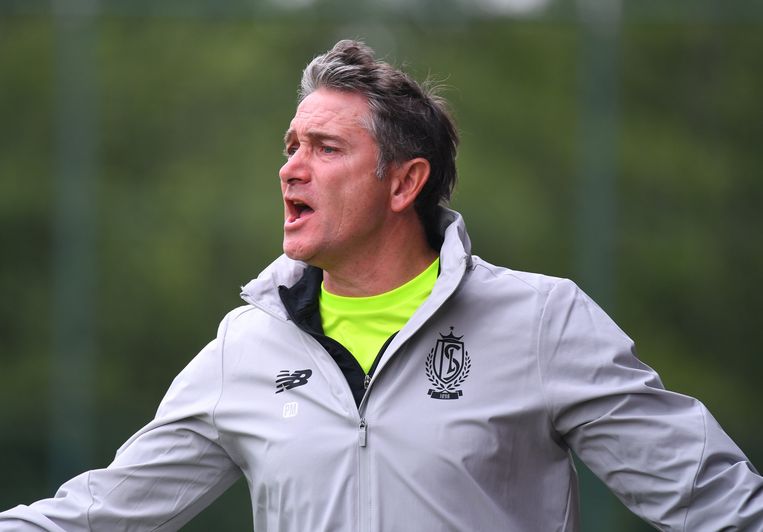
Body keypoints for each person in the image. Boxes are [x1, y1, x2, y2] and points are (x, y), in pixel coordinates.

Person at [1, 39, 761, 531]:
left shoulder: (542, 320)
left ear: (403, 183)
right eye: (290, 147)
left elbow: (714, 502)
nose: (291, 169)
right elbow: (100, 513)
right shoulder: (247, 344)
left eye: (325, 148)